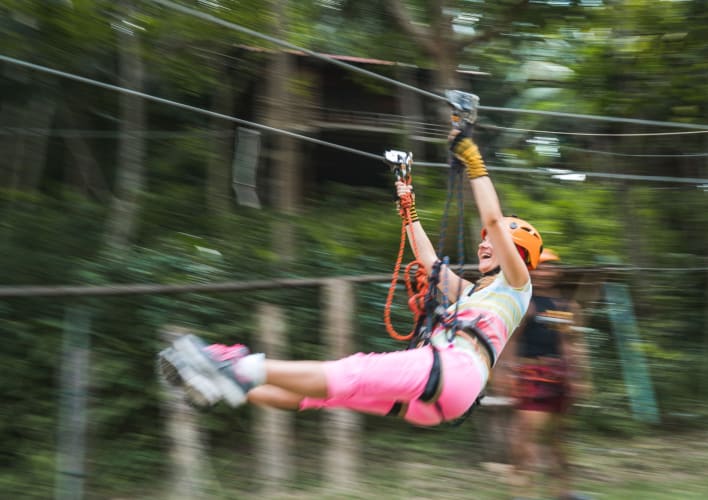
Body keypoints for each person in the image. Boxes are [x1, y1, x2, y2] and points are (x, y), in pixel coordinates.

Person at [157, 131, 544, 427]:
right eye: (485, 243)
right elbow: (427, 261)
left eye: (495, 244)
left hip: (454, 372)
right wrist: (408, 207)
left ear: (519, 255)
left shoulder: (517, 285)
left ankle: (229, 366)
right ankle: (229, 388)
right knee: (328, 394)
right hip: (444, 394)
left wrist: (473, 161)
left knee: (351, 371)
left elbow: (492, 219)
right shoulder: (474, 293)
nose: (485, 246)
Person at [506, 249, 591, 499]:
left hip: (559, 376)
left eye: (550, 267)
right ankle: (524, 491)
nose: (546, 272)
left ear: (558, 271)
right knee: (527, 436)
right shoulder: (525, 303)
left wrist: (579, 376)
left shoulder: (564, 305)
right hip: (531, 374)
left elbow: (571, 341)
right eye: (540, 267)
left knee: (558, 438)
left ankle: (564, 492)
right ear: (530, 270)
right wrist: (507, 373)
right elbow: (511, 341)